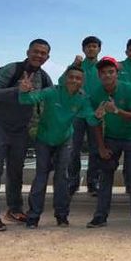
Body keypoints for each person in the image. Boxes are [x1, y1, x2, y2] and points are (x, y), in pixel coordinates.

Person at [0, 38, 53, 232]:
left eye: (43, 53)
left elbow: (52, 101)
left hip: (21, 129)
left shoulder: (44, 78)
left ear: (48, 57)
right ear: (28, 52)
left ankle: (14, 209)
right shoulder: (11, 69)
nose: (39, 55)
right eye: (36, 51)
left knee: (15, 171)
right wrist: (17, 90)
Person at [18, 65, 101, 228]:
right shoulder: (52, 92)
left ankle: (62, 215)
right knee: (41, 177)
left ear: (82, 82)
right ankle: (33, 216)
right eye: (71, 77)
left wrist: (98, 115)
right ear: (65, 78)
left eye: (78, 78)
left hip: (64, 140)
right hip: (44, 139)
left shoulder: (82, 98)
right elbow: (27, 100)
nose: (74, 81)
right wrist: (24, 91)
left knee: (62, 177)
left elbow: (90, 119)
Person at [86, 56, 131, 228]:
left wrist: (116, 111)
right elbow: (95, 122)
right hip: (111, 137)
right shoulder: (96, 93)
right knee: (105, 177)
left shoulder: (129, 89)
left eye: (111, 72)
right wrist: (101, 147)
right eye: (103, 72)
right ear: (99, 75)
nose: (107, 75)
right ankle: (100, 216)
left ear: (117, 73)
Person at [65, 35, 103, 197]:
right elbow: (62, 82)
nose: (91, 49)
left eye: (94, 46)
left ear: (99, 49)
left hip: (95, 114)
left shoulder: (102, 68)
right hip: (77, 113)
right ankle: (73, 182)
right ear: (83, 49)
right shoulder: (77, 66)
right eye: (88, 46)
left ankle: (93, 182)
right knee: (73, 149)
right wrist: (73, 65)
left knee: (96, 149)